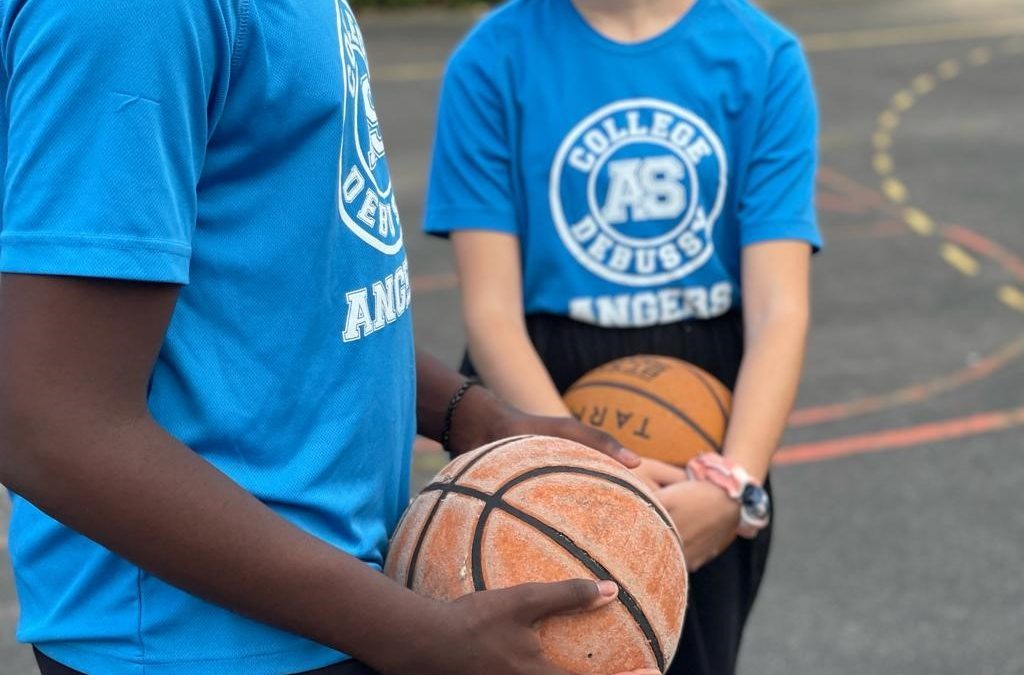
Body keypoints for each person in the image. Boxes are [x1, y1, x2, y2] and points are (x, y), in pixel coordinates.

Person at [0, 2, 663, 675]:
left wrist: (470, 414)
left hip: (329, 607)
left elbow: (300, 290)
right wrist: (410, 633)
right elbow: (48, 422)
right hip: (198, 639)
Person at [424, 0, 821, 673]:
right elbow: (491, 311)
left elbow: (779, 309)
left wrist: (735, 483)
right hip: (539, 392)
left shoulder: (762, 57)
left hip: (705, 411)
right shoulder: (492, 60)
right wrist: (584, 474)